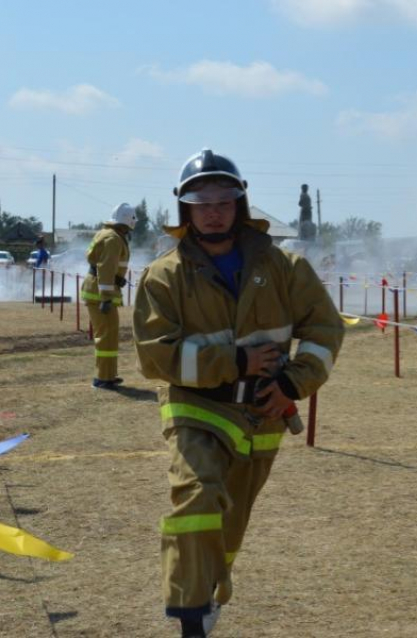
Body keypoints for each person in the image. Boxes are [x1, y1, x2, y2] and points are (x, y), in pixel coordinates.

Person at [133, 149, 344, 638]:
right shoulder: (163, 276)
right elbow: (154, 358)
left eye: (224, 199)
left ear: (241, 203)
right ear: (184, 207)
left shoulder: (286, 267)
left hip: (264, 412)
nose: (213, 209)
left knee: (229, 525)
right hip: (196, 407)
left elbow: (326, 329)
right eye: (201, 200)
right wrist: (235, 362)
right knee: (197, 494)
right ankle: (188, 615)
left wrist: (293, 382)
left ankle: (208, 593)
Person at [81, 203, 135, 389]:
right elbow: (105, 269)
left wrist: (118, 280)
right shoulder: (113, 239)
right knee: (106, 336)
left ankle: (108, 375)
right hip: (100, 294)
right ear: (128, 221)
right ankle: (103, 378)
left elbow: (108, 268)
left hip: (97, 291)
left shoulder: (108, 234)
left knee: (109, 335)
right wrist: (106, 297)